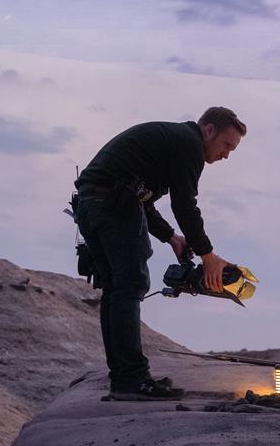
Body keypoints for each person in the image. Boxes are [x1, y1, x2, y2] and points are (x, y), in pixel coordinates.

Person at [73, 106, 246, 401]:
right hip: (110, 205)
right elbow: (184, 204)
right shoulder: (189, 145)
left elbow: (142, 198)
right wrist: (207, 255)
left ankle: (124, 378)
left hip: (92, 203)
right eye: (226, 145)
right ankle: (132, 380)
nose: (226, 155)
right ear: (209, 131)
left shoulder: (173, 141)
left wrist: (171, 238)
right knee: (130, 285)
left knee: (116, 289)